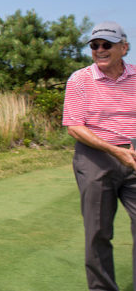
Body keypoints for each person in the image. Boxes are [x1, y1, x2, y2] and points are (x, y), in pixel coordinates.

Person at [63, 21, 136, 291]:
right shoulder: (80, 79)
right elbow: (74, 126)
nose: (100, 50)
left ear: (124, 48)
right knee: (98, 232)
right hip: (95, 159)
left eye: (107, 45)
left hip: (133, 155)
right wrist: (116, 151)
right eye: (95, 45)